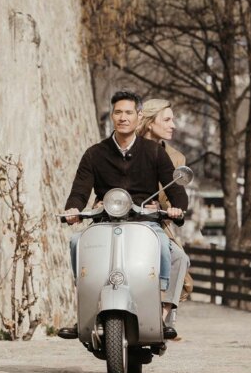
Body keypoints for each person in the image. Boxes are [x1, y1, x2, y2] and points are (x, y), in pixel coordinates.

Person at [58, 90, 187, 340]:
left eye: (129, 113)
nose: (123, 118)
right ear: (112, 116)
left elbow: (177, 190)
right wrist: (73, 209)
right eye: (118, 112)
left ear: (139, 116)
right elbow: (79, 191)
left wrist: (177, 207)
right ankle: (84, 310)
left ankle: (161, 307)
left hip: (144, 223)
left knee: (166, 247)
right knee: (76, 241)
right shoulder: (95, 153)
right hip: (105, 221)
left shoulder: (154, 152)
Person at [138, 98, 192, 330]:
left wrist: (165, 210)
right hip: (121, 219)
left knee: (179, 258)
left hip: (156, 223)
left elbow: (176, 200)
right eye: (167, 119)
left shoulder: (176, 159)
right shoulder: (123, 148)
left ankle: (162, 318)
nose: (174, 125)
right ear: (150, 123)